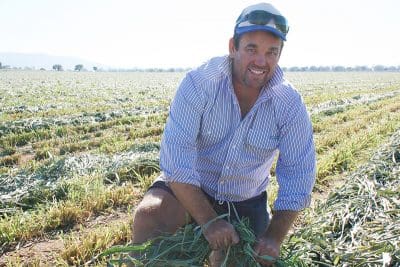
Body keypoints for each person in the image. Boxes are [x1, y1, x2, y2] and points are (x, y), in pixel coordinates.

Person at [131, 2, 316, 266]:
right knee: (150, 215)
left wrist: (274, 238)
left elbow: (299, 175)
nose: (261, 61)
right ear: (233, 47)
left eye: (271, 52)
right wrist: (209, 221)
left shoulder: (289, 104)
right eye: (252, 49)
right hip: (193, 188)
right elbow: (176, 159)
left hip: (246, 200)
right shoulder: (200, 83)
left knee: (240, 260)